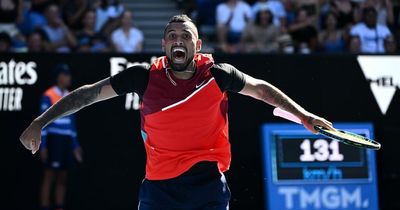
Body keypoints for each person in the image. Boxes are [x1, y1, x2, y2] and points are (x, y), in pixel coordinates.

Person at [20, 14, 333, 210]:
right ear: (163, 44)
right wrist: (40, 121)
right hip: (159, 187)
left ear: (197, 45)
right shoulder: (143, 76)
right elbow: (89, 94)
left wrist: (305, 116)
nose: (178, 40)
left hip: (208, 184)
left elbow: (262, 90)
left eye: (186, 36)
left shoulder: (217, 74)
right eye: (172, 36)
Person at [38, 64, 83, 210]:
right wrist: (43, 145)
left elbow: (72, 124)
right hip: (53, 140)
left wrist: (75, 146)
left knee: (63, 177)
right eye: (66, 74)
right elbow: (42, 124)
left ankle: (59, 206)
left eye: (69, 75)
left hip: (66, 142)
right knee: (49, 175)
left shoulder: (70, 95)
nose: (69, 77)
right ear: (59, 77)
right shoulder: (49, 95)